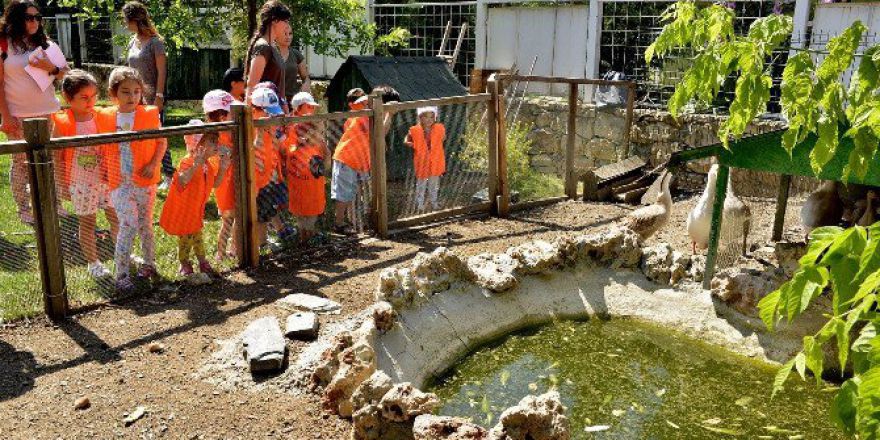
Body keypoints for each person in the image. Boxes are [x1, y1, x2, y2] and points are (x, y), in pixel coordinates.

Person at [97, 67, 167, 291]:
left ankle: (149, 264)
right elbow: (100, 150)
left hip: (144, 181)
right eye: (126, 92)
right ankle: (122, 274)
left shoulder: (148, 115)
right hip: (119, 182)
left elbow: (161, 142)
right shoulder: (105, 118)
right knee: (127, 224)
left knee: (146, 224)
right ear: (113, 93)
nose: (132, 97)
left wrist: (153, 164)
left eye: (137, 91)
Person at [0, 0, 68, 225]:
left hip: (48, 111)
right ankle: (24, 209)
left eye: (38, 17)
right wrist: (6, 116)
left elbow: (64, 74)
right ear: (16, 19)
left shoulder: (46, 43)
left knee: (51, 159)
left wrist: (51, 68)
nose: (35, 22)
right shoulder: (3, 45)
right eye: (30, 17)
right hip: (18, 114)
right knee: (20, 163)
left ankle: (54, 203)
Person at [52, 70, 119, 279]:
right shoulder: (62, 124)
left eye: (94, 96)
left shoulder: (104, 117)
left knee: (116, 218)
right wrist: (61, 184)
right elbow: (56, 157)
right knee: (87, 223)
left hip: (107, 179)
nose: (91, 101)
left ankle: (123, 253)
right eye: (84, 97)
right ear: (67, 97)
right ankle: (93, 263)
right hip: (80, 183)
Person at [159, 120, 227, 277]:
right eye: (212, 141)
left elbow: (214, 184)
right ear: (198, 144)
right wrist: (197, 163)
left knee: (197, 236)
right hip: (185, 209)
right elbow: (182, 180)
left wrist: (222, 168)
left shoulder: (208, 165)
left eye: (216, 141)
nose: (217, 144)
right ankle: (184, 263)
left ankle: (202, 261)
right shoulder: (188, 161)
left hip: (196, 209)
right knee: (185, 238)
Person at [331, 85, 398, 234]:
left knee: (355, 193)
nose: (364, 102)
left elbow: (377, 134)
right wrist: (389, 114)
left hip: (359, 161)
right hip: (347, 159)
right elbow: (379, 132)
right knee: (344, 194)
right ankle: (339, 223)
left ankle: (354, 222)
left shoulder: (367, 116)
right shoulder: (359, 116)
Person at [122, 1, 172, 190]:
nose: (125, 24)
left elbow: (162, 70)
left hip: (152, 96)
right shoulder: (132, 41)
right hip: (134, 96)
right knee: (139, 134)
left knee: (158, 133)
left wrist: (159, 95)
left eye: (126, 20)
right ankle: (142, 169)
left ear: (135, 19)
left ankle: (168, 174)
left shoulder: (155, 42)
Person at [199, 90, 238, 261]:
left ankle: (234, 249)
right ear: (222, 116)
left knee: (237, 218)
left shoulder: (229, 132)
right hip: (225, 184)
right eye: (231, 112)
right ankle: (221, 253)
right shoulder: (215, 137)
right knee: (228, 219)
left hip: (234, 181)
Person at [285, 93, 329, 244]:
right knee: (302, 215)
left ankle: (306, 239)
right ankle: (305, 239)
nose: (311, 110)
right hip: (299, 183)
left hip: (313, 185)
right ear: (298, 108)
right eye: (308, 106)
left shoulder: (314, 128)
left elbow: (324, 154)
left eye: (312, 107)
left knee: (310, 216)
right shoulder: (292, 126)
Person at [249, 85, 290, 247]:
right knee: (259, 214)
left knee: (266, 211)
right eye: (269, 113)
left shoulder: (269, 126)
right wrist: (260, 131)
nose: (273, 117)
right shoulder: (252, 126)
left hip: (268, 176)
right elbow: (254, 148)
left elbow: (274, 147)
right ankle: (260, 244)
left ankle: (264, 241)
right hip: (257, 180)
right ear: (257, 110)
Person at [244, 1, 291, 109]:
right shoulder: (263, 46)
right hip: (264, 116)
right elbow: (251, 85)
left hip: (277, 115)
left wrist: (286, 114)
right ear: (275, 20)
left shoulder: (273, 47)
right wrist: (249, 120)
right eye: (286, 21)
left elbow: (280, 92)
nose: (288, 26)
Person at [404, 106, 446, 212]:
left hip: (435, 160)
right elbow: (407, 139)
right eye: (426, 117)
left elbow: (443, 137)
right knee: (421, 183)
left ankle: (434, 202)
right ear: (420, 117)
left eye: (432, 117)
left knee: (434, 183)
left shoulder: (439, 127)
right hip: (422, 160)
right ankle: (420, 203)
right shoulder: (414, 130)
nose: (429, 120)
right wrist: (412, 144)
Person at [275, 21, 310, 103]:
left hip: (293, 100)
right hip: (274, 100)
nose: (288, 37)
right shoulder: (270, 53)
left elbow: (306, 77)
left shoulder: (296, 54)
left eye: (290, 34)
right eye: (285, 34)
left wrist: (306, 85)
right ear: (276, 35)